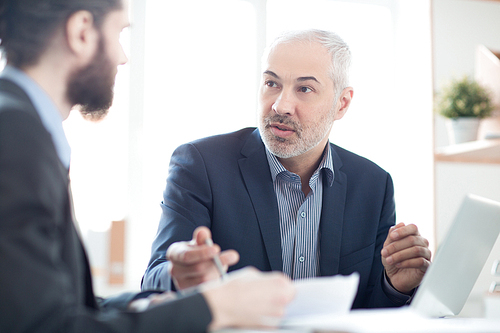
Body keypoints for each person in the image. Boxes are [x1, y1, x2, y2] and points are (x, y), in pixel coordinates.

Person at [0, 0, 295, 332]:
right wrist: (214, 307)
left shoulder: (19, 125)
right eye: (119, 32)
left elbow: (50, 308)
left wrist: (152, 304)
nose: (122, 57)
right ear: (81, 31)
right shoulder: (15, 137)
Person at [142, 29, 432, 309]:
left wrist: (395, 286)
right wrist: (182, 274)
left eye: (304, 89)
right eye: (272, 84)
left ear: (341, 104)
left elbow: (368, 311)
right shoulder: (200, 164)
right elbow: (153, 281)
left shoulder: (373, 184)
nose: (281, 105)